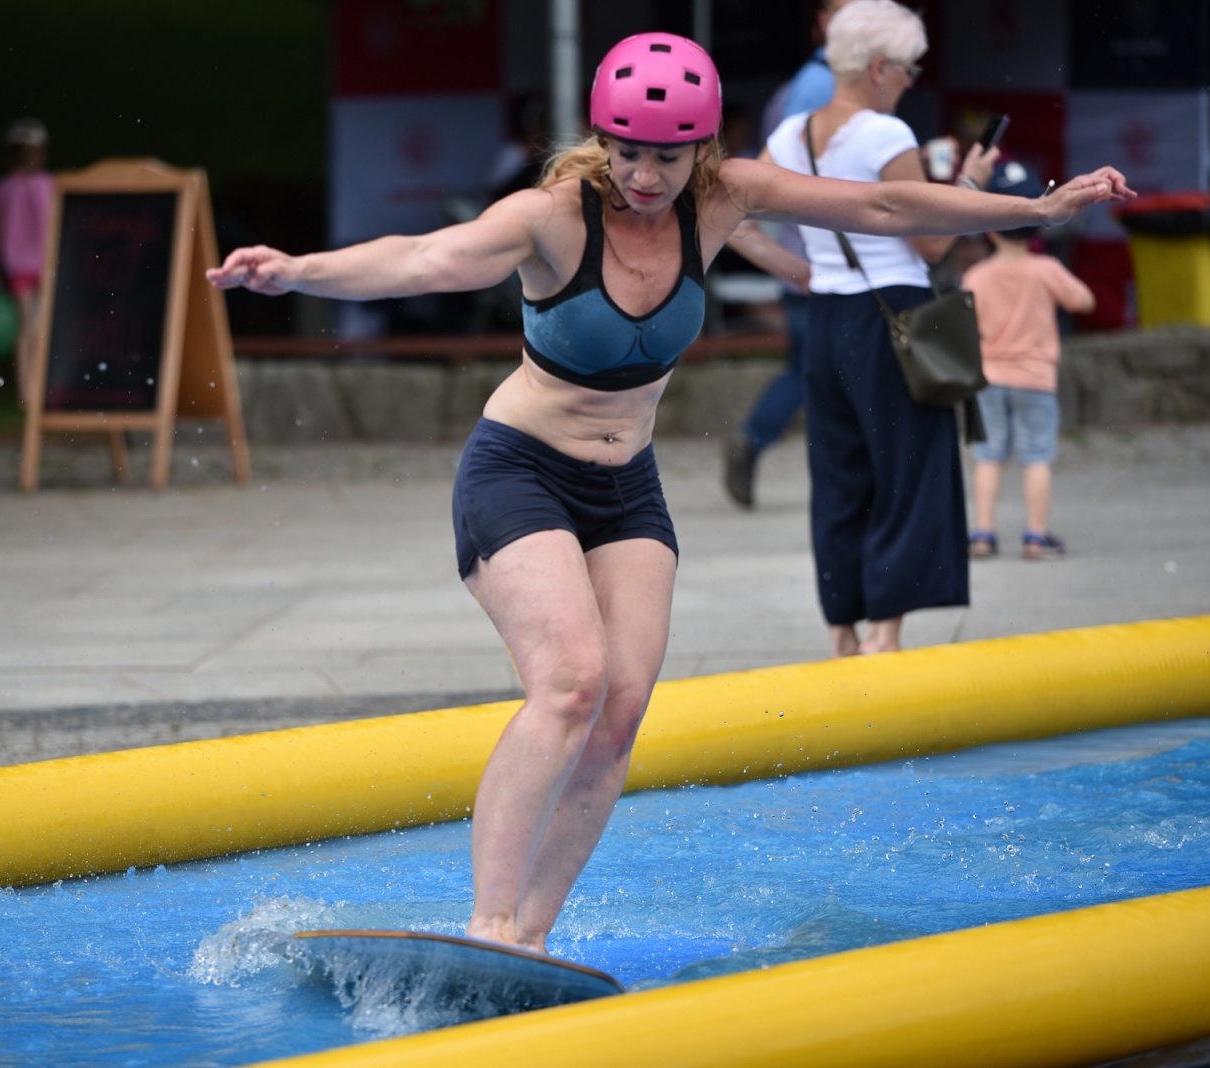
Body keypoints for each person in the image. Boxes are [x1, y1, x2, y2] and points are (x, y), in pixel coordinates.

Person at [209, 31, 1128, 951]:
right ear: (603, 139)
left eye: (668, 154)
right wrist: (296, 270)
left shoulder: (724, 199)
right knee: (570, 683)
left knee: (619, 717)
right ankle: (486, 921)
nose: (646, 174)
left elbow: (883, 201)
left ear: (703, 148)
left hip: (628, 490)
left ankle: (528, 940)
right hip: (520, 470)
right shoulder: (552, 217)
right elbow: (424, 258)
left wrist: (1037, 208)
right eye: (629, 151)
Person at [763, 0, 1007, 658]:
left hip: (828, 317)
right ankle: (886, 631)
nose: (911, 79)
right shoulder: (883, 136)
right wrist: (970, 186)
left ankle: (842, 629)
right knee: (910, 470)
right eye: (907, 67)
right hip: (894, 312)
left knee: (840, 473)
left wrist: (795, 266)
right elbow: (930, 246)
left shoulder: (787, 137)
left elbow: (733, 214)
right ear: (878, 67)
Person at [722, 0, 852, 507]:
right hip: (820, 260)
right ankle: (837, 481)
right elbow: (793, 179)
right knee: (827, 375)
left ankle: (757, 440)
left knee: (811, 370)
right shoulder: (820, 87)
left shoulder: (800, 85)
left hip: (805, 257)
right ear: (821, 20)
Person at [963, 160, 1097, 560]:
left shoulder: (976, 276)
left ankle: (983, 534)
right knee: (1036, 457)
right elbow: (1085, 301)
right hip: (1036, 378)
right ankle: (1035, 537)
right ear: (1040, 223)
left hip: (987, 378)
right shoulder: (1046, 270)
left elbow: (965, 323)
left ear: (989, 225)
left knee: (988, 457)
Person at [0, 117, 51, 402]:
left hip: (42, 263)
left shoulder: (48, 184)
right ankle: (29, 391)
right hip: (25, 264)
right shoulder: (6, 189)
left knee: (36, 326)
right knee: (31, 327)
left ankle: (35, 388)